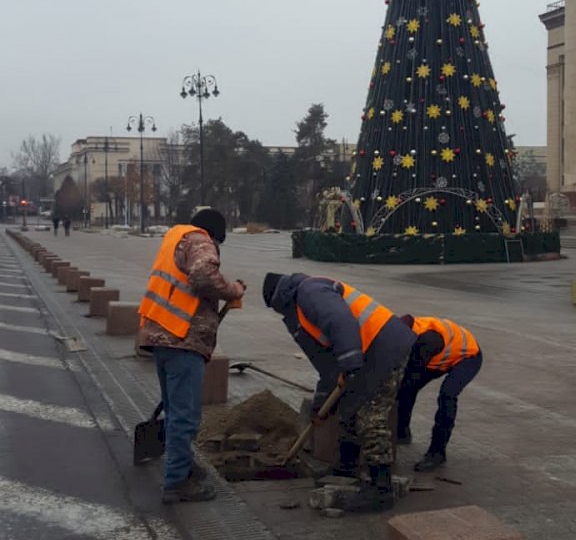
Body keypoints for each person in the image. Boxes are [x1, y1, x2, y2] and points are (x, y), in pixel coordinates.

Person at [263, 272, 415, 512]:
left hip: (385, 347)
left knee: (370, 416)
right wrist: (320, 406)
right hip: (364, 352)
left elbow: (340, 321)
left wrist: (350, 361)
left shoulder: (309, 292)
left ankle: (381, 488)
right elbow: (327, 369)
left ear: (279, 298)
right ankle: (347, 466)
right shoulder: (300, 310)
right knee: (348, 407)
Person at [139, 208, 245, 503]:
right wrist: (233, 289)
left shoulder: (177, 237)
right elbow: (202, 276)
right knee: (185, 416)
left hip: (161, 335)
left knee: (176, 411)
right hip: (182, 339)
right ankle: (176, 482)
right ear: (214, 233)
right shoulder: (201, 241)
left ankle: (182, 464)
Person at [396, 315, 482, 471]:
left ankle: (437, 452)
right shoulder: (402, 331)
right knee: (407, 389)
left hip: (467, 356)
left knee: (447, 395)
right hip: (439, 356)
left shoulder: (426, 341)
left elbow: (410, 374)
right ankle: (402, 432)